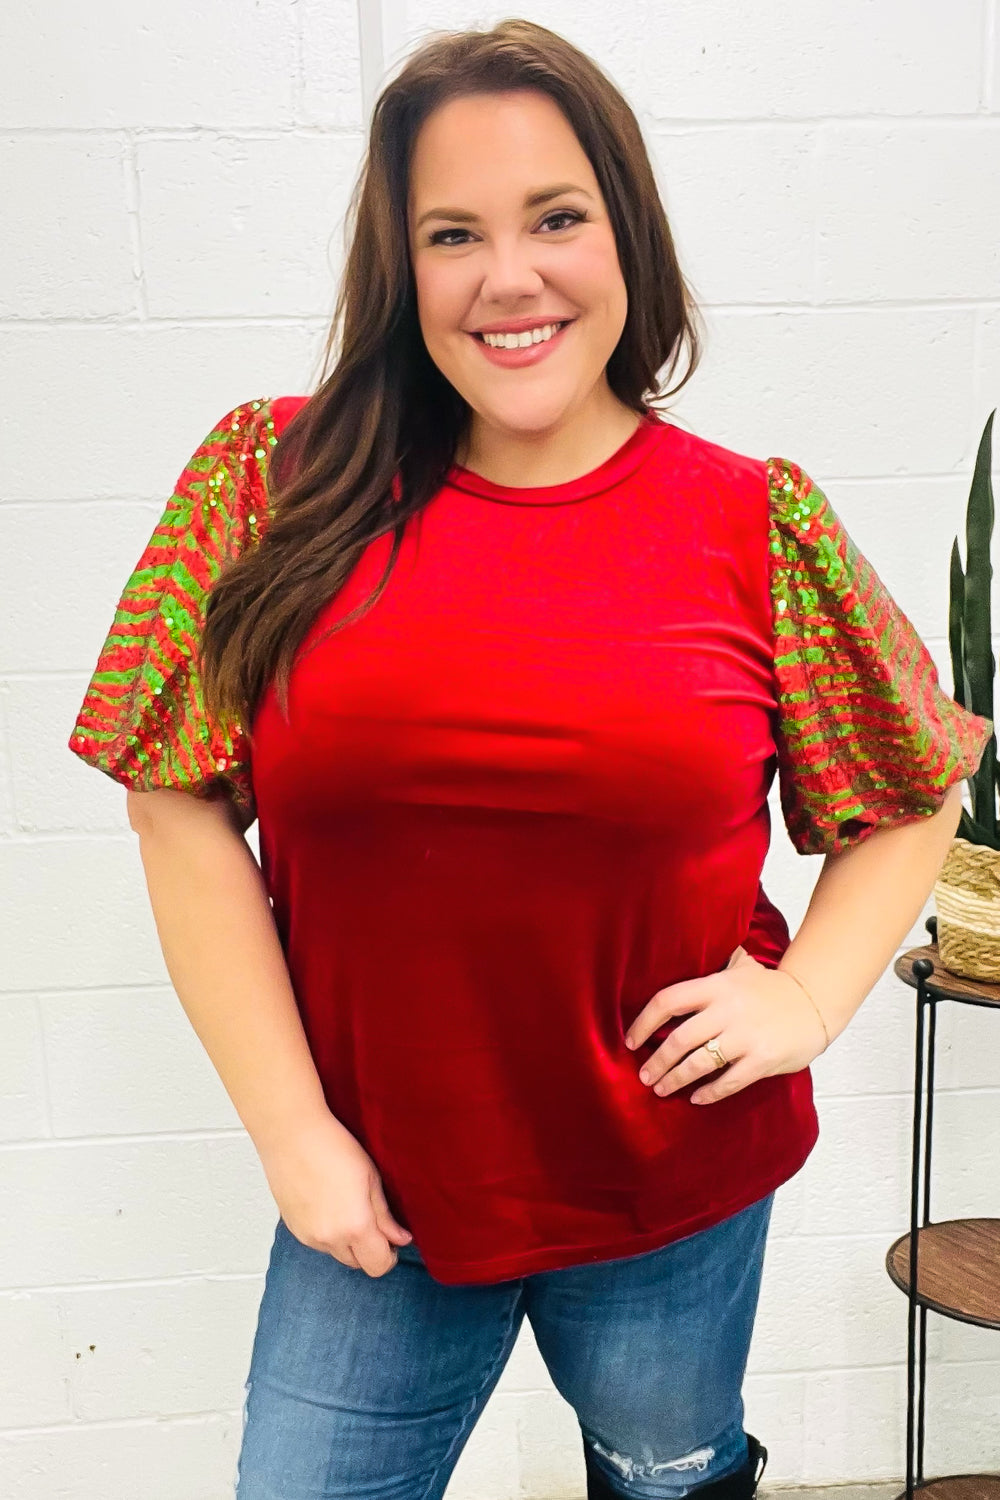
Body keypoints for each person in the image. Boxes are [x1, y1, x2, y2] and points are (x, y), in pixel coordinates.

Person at [67, 19, 992, 1500]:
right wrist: (293, 1133)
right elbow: (173, 806)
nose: (509, 276)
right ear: (402, 266)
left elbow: (912, 785)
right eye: (454, 233)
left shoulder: (754, 522)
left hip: (673, 1187)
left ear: (627, 233)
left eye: (556, 217)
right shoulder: (271, 482)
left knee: (668, 1474)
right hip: (378, 1196)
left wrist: (808, 999)